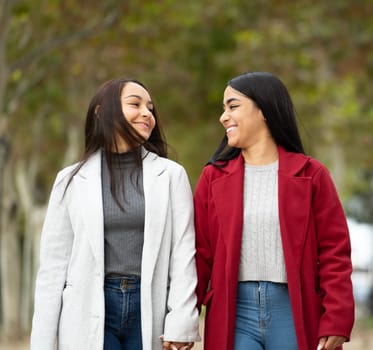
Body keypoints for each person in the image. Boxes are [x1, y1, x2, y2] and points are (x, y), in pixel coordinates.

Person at [30, 78, 200, 350]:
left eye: (151, 108)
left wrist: (181, 320)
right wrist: (41, 342)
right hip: (86, 307)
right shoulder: (70, 180)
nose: (147, 113)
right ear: (101, 112)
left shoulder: (171, 176)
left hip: (148, 307)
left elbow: (183, 254)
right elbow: (53, 268)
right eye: (135, 104)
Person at [194, 71, 354, 350]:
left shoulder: (312, 175)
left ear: (264, 110)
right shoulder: (213, 178)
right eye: (223, 109)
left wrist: (337, 318)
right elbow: (199, 254)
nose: (223, 117)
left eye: (233, 106)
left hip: (293, 311)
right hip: (234, 313)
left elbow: (334, 253)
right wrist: (183, 316)